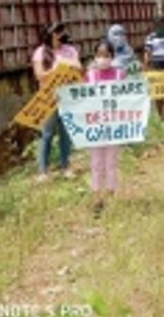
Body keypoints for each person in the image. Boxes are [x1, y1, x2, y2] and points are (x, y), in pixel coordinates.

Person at [31, 22, 81, 182]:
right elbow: (39, 75)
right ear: (50, 34)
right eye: (58, 32)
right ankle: (43, 171)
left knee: (65, 133)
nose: (62, 34)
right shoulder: (40, 52)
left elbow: (78, 67)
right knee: (46, 134)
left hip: (67, 96)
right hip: (48, 98)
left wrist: (69, 65)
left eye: (62, 31)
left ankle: (65, 166)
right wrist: (56, 70)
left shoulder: (70, 50)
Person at [85, 40, 125, 217]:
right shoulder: (90, 76)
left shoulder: (119, 75)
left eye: (106, 55)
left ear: (112, 57)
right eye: (99, 55)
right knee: (96, 162)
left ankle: (110, 197)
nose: (102, 58)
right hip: (95, 125)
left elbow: (128, 97)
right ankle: (96, 198)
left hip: (114, 126)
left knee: (111, 162)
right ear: (94, 56)